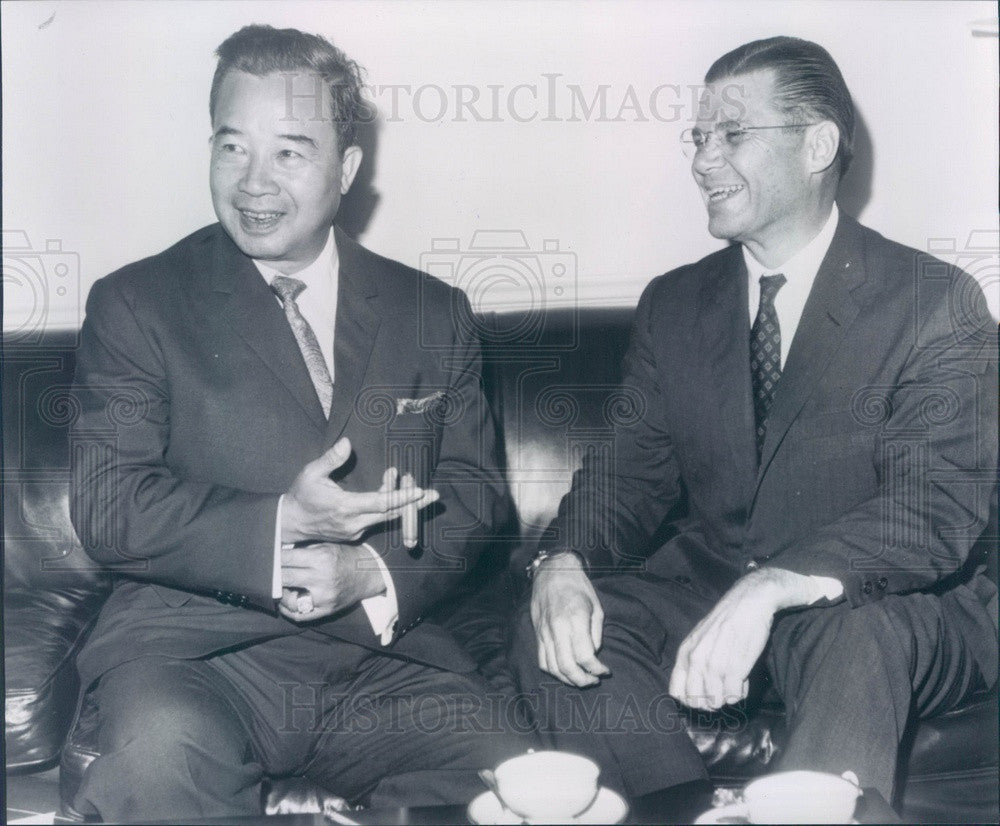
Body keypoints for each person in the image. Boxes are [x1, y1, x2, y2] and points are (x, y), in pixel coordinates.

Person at [510, 36, 997, 805]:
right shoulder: (675, 305)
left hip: (879, 604)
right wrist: (561, 564)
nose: (703, 161)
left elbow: (930, 510)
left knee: (860, 639)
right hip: (711, 586)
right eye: (699, 138)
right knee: (560, 634)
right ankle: (684, 814)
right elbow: (627, 478)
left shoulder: (934, 303)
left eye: (732, 135)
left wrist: (775, 585)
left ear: (818, 145)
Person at [69, 24, 530, 822]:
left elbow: (476, 495)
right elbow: (110, 503)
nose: (253, 183)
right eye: (230, 147)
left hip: (378, 658)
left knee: (514, 779)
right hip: (193, 656)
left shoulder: (432, 312)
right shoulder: (136, 303)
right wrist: (279, 527)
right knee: (158, 758)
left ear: (346, 168)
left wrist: (370, 575)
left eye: (289, 151)